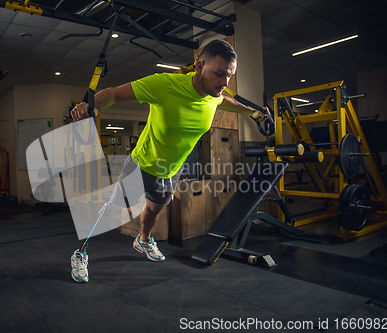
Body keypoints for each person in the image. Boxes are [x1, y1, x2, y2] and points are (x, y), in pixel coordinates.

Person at [69, 39, 267, 283]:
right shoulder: (164, 84)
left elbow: (227, 102)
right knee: (112, 210)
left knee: (153, 211)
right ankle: (81, 253)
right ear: (199, 67)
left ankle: (142, 241)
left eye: (228, 76)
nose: (224, 83)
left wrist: (253, 112)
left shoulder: (214, 94)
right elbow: (113, 94)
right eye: (219, 74)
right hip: (141, 163)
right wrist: (90, 106)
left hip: (170, 170)